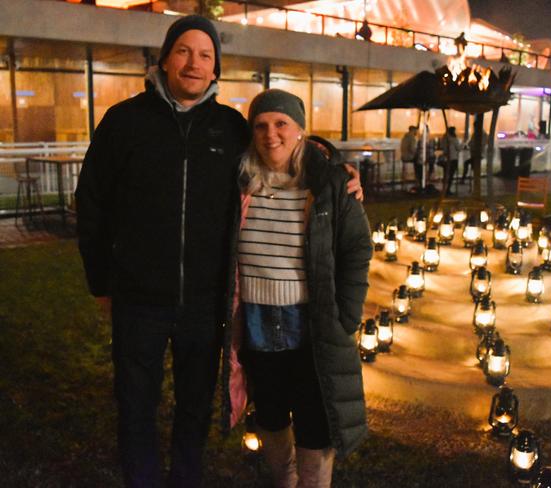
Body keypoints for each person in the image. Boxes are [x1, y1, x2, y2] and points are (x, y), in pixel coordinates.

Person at [75, 16, 361, 487]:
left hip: (205, 305)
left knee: (194, 408)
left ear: (215, 70)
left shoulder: (230, 128)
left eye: (205, 55)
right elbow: (91, 203)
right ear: (165, 59)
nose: (193, 62)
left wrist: (340, 171)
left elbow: (285, 151)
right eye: (184, 51)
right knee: (135, 405)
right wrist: (101, 282)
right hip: (139, 301)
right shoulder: (124, 122)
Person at [235, 89, 371, 487]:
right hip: (257, 325)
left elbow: (357, 246)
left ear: (300, 131)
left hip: (310, 325)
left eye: (281, 124)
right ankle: (284, 480)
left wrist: (346, 314)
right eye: (260, 125)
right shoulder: (239, 182)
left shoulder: (329, 184)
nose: (270, 134)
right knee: (271, 417)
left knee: (314, 428)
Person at [440, 126, 462, 195]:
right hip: (453, 158)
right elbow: (459, 148)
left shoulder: (444, 139)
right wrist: (463, 144)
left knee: (446, 174)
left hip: (446, 159)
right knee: (451, 175)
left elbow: (441, 147)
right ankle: (448, 190)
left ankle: (444, 189)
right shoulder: (454, 139)